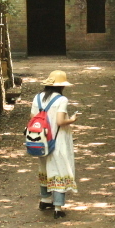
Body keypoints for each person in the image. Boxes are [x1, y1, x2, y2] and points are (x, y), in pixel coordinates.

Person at [31, 70, 78, 219]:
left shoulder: (37, 98)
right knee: (59, 169)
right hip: (57, 139)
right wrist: (72, 119)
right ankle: (58, 207)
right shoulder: (61, 100)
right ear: (61, 86)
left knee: (44, 168)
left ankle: (45, 200)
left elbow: (33, 118)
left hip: (40, 139)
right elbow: (60, 121)